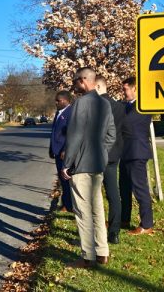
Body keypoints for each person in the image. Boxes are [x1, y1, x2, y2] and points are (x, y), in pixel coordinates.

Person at [61, 67, 115, 268]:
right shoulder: (105, 104)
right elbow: (111, 135)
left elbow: (74, 138)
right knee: (97, 209)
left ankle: (88, 257)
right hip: (98, 164)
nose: (74, 85)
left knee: (83, 212)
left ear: (84, 80)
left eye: (76, 81)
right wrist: (101, 152)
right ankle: (102, 252)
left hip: (82, 165)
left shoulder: (80, 104)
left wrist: (67, 164)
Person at [119, 76, 155, 235]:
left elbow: (127, 123)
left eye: (126, 89)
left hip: (137, 152)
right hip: (125, 152)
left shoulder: (143, 106)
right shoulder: (125, 105)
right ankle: (124, 219)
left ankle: (146, 224)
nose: (123, 92)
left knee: (140, 190)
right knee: (124, 189)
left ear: (135, 89)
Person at [95, 75, 125, 244]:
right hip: (114, 156)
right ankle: (114, 232)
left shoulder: (97, 106)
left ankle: (97, 231)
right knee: (114, 194)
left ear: (98, 87)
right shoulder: (120, 107)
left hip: (97, 155)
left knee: (94, 195)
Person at [49, 90, 73, 212]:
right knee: (62, 180)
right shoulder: (58, 113)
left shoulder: (71, 112)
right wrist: (51, 148)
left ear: (65, 100)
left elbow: (71, 133)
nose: (56, 102)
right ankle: (66, 203)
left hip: (65, 153)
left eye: (58, 100)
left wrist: (65, 149)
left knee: (66, 179)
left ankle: (68, 205)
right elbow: (54, 132)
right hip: (57, 151)